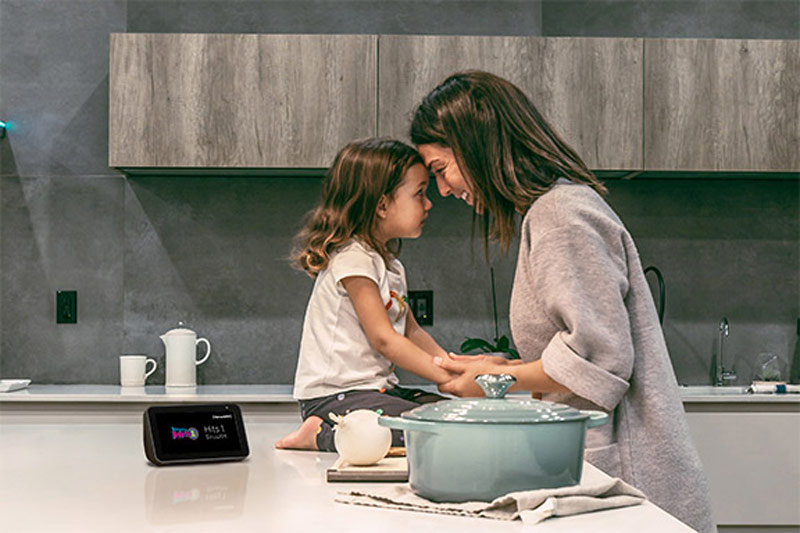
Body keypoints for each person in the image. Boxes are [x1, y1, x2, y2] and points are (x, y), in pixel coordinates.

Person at [409, 71, 715, 533]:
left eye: (440, 170)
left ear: (477, 145)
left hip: (626, 481)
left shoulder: (561, 216)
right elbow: (575, 348)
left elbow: (600, 362)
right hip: (597, 473)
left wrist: (496, 378)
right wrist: (505, 364)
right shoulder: (552, 212)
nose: (444, 190)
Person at [275, 138, 451, 452]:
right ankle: (320, 433)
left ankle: (344, 430)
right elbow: (384, 338)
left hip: (375, 393)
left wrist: (450, 368)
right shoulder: (353, 259)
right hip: (335, 398)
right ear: (382, 205)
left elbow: (412, 331)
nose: (429, 204)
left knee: (452, 418)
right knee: (431, 431)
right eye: (419, 193)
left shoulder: (390, 265)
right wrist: (443, 376)